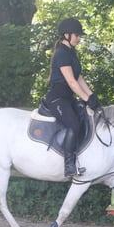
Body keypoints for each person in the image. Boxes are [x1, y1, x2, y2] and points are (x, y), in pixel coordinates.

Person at [43, 17, 103, 179]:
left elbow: (79, 78)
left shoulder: (71, 53)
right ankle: (69, 166)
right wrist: (85, 98)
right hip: (57, 99)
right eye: (77, 35)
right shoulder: (62, 53)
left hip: (68, 99)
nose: (79, 38)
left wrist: (91, 96)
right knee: (74, 124)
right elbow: (70, 81)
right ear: (67, 35)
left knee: (85, 119)